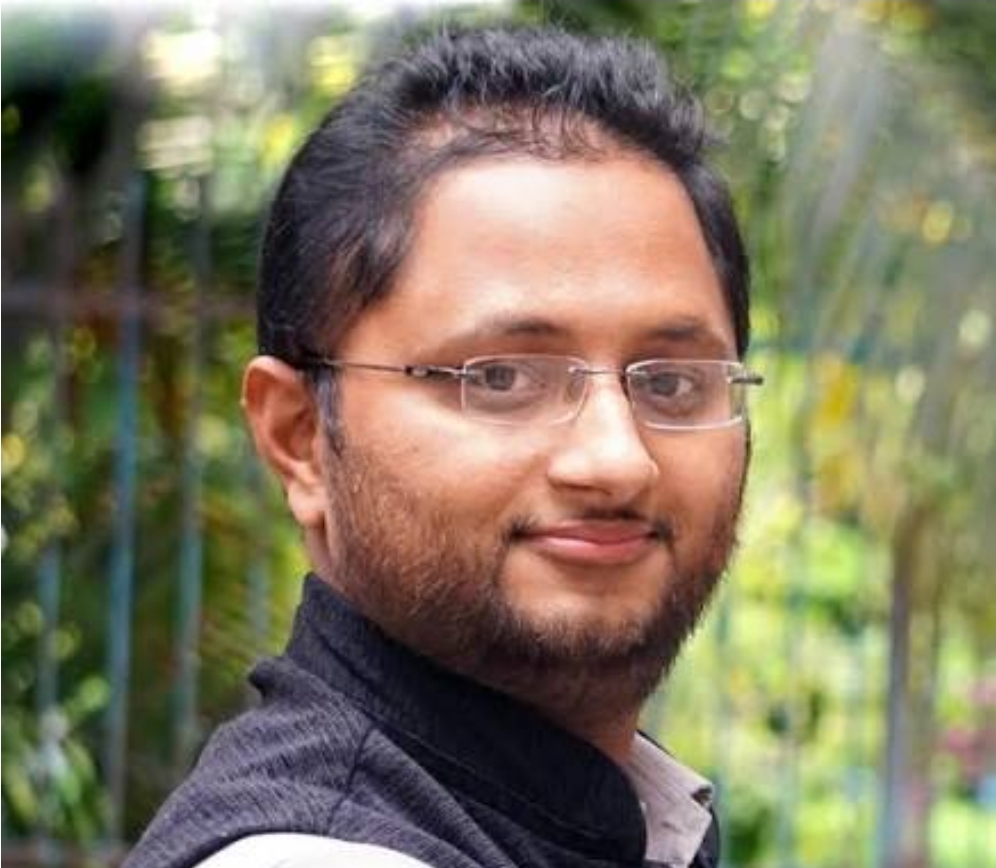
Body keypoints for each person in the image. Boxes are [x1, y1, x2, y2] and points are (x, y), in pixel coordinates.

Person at [125, 23, 761, 868]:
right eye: (500, 378)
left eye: (672, 383)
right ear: (300, 437)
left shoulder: (605, 825)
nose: (617, 460)